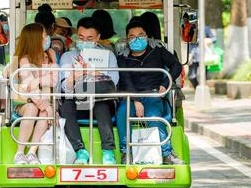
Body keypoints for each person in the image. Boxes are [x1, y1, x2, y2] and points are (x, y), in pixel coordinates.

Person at [116, 20, 184, 165]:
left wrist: (165, 83)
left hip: (154, 94)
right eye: (132, 36)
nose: (137, 39)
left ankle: (167, 153)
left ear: (147, 36)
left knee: (153, 116)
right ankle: (125, 153)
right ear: (127, 40)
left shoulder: (157, 51)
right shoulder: (122, 57)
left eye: (141, 35)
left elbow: (176, 65)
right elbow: (125, 80)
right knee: (122, 113)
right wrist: (136, 100)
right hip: (131, 96)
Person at [59, 17, 119, 165]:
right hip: (77, 101)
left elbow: (114, 81)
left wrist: (94, 72)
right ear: (76, 37)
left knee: (100, 103)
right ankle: (80, 151)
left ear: (98, 38)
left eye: (89, 38)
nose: (84, 41)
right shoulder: (68, 57)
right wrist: (73, 77)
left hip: (101, 100)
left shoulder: (108, 56)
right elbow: (64, 88)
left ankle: (108, 152)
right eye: (81, 37)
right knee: (66, 106)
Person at [10, 23, 58, 165]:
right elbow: (30, 87)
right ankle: (19, 152)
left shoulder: (50, 55)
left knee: (43, 113)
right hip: (25, 102)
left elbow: (54, 80)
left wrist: (37, 80)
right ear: (36, 39)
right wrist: (47, 107)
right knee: (33, 109)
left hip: (45, 101)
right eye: (44, 35)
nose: (47, 38)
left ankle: (32, 153)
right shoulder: (23, 59)